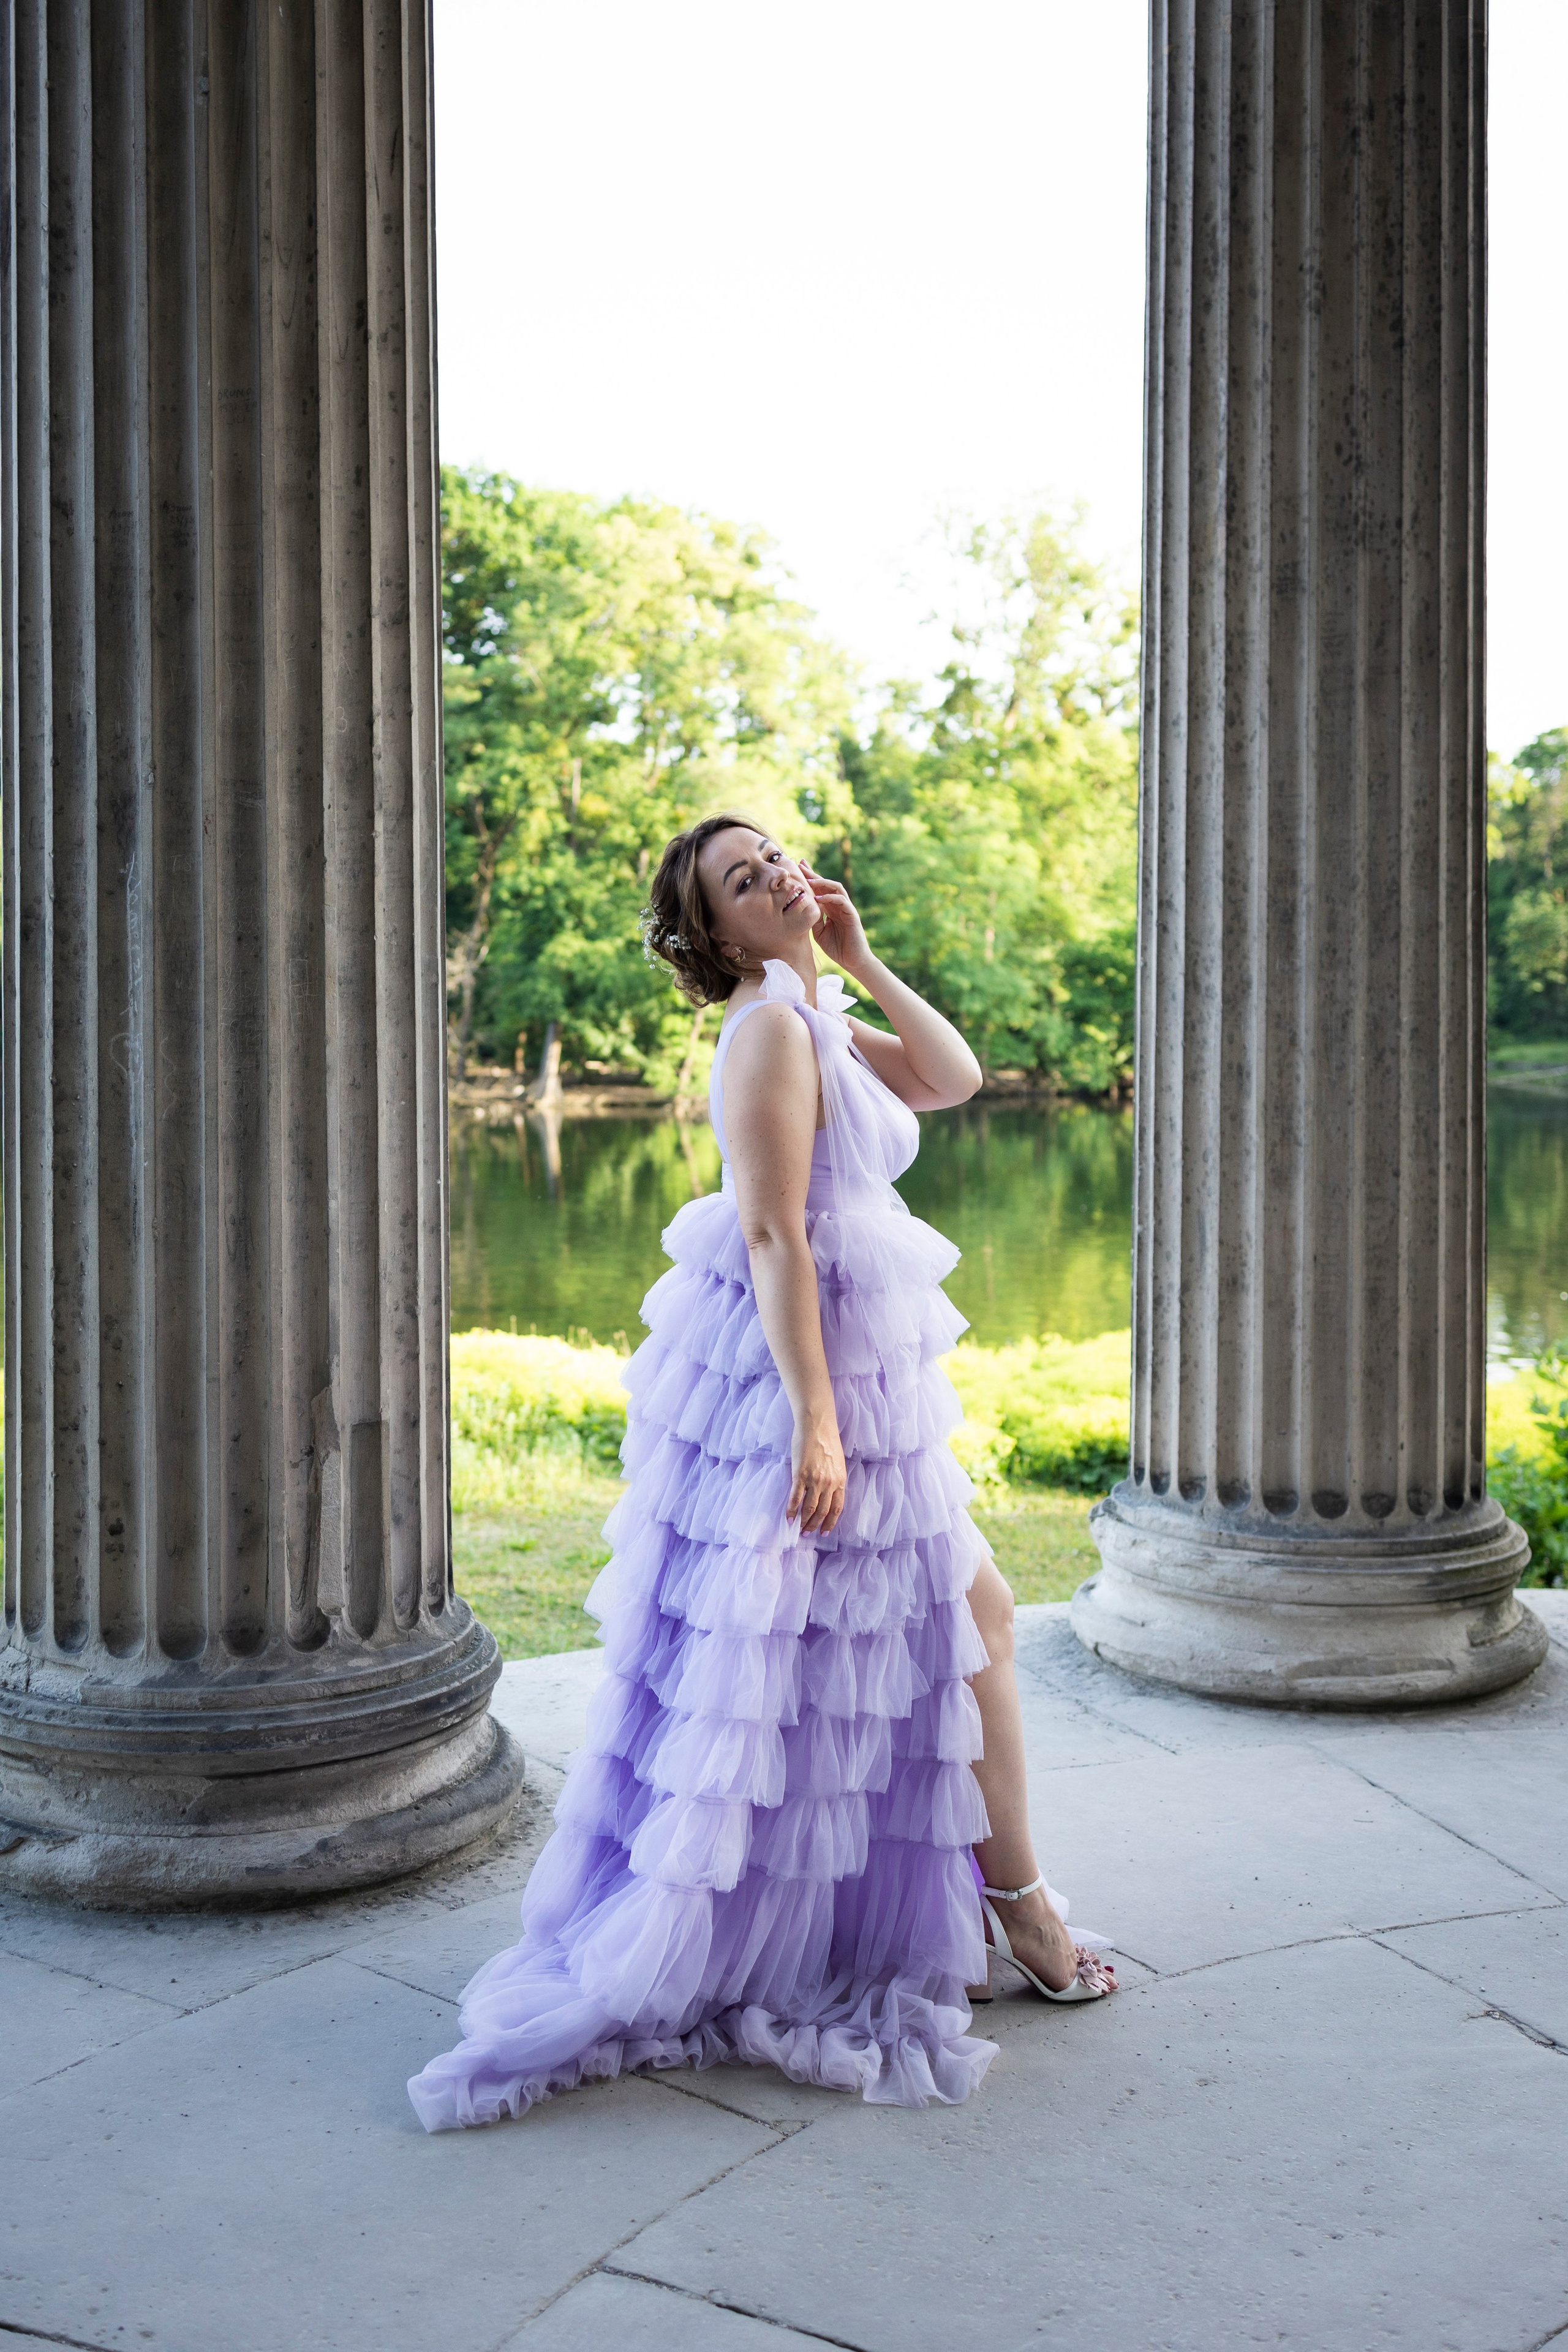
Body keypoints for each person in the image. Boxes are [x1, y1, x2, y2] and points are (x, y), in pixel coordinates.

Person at [408, 814, 1114, 2132]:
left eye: (776, 853)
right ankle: (1018, 1911)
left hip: (858, 1383)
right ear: (713, 934)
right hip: (811, 1384)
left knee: (861, 1655)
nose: (777, 874)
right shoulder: (766, 1031)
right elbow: (774, 1232)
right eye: (745, 879)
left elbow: (953, 1078)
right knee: (944, 1631)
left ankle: (976, 1903)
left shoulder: (813, 1012)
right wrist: (818, 1425)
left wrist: (857, 954)